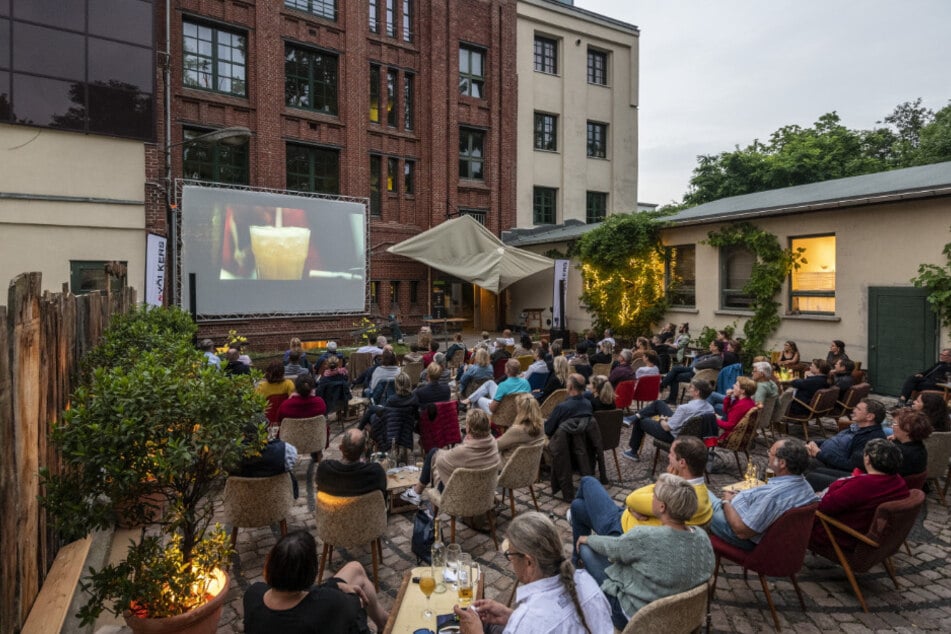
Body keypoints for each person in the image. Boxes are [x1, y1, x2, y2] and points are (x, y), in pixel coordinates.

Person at [576, 473, 715, 630]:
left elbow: (614, 548)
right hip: (682, 617)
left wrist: (587, 539)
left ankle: (584, 595)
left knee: (586, 549)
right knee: (578, 506)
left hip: (634, 618)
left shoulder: (646, 536)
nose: (651, 497)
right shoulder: (702, 537)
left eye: (654, 493)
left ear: (662, 507)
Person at [454, 512, 613, 634]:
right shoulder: (586, 581)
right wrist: (511, 615)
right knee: (490, 624)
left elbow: (538, 623)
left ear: (529, 562)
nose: (511, 561)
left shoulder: (527, 622)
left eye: (510, 555)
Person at [569, 436, 713, 562]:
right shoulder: (703, 494)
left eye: (671, 453)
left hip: (621, 532)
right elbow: (636, 503)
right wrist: (634, 507)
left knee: (588, 481)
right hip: (628, 520)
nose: (668, 456)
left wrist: (665, 480)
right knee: (577, 506)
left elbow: (632, 498)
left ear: (682, 463)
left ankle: (580, 555)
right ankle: (578, 560)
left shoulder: (676, 494)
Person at [243, 530, 388, 633]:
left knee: (355, 569)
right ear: (311, 570)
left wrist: (336, 585)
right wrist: (351, 598)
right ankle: (386, 625)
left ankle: (384, 622)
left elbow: (311, 596)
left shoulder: (253, 594)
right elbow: (355, 610)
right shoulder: (328, 605)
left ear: (271, 564)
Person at [708, 438, 818, 550]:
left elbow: (742, 531)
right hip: (761, 528)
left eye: (771, 453)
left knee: (701, 497)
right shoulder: (805, 486)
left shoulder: (773, 496)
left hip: (742, 535)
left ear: (782, 463)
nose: (768, 456)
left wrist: (726, 501)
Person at [810, 439, 909, 550]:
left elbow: (824, 507)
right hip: (874, 532)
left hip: (841, 536)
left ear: (867, 460)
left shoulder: (862, 485)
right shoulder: (898, 481)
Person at [400, 409, 500, 504]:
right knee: (444, 458)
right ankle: (416, 491)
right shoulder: (492, 442)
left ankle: (416, 491)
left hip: (462, 494)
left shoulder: (463, 451)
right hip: (484, 490)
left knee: (433, 453)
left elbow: (440, 462)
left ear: (469, 427)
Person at [804, 398, 887, 491]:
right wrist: (814, 443)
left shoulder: (870, 438)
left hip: (833, 465)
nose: (854, 410)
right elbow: (836, 440)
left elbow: (852, 466)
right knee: (793, 449)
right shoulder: (857, 427)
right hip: (821, 455)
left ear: (870, 416)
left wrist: (819, 454)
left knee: (797, 460)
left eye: (858, 409)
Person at [623, 378, 715, 461]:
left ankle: (633, 452)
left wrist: (661, 419)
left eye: (691, 387)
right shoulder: (710, 408)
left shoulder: (685, 408)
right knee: (658, 403)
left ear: (697, 392)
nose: (689, 389)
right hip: (692, 436)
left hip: (674, 437)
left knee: (641, 421)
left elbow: (667, 428)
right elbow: (689, 419)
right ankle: (633, 417)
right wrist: (671, 418)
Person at [315, 428, 387, 498]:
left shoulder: (324, 470)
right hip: (364, 509)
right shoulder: (376, 472)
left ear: (340, 448)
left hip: (334, 509)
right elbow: (383, 495)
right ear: (364, 450)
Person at [660, 339, 726, 404]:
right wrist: (703, 359)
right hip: (696, 371)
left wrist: (702, 360)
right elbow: (699, 359)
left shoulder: (716, 359)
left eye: (711, 345)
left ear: (716, 347)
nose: (709, 346)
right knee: (675, 369)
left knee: (675, 376)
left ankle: (666, 391)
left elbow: (697, 364)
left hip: (698, 375)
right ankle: (663, 387)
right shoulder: (712, 355)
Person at [462, 358, 531, 414]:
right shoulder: (526, 382)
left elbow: (492, 409)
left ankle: (474, 421)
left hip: (503, 413)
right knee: (490, 383)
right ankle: (469, 400)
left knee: (478, 399)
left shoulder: (503, 385)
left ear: (507, 370)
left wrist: (489, 403)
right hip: (519, 410)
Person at [497, 393, 546, 465]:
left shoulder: (517, 430)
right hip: (530, 465)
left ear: (521, 409)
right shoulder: (542, 424)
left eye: (516, 406)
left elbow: (496, 446)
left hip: (509, 466)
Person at [888, 408, 931, 476]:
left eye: (894, 423)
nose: (891, 426)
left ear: (907, 428)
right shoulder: (919, 445)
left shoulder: (898, 453)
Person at [717, 376, 758, 441]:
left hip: (729, 436)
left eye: (736, 385)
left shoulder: (741, 405)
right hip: (733, 429)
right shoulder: (746, 401)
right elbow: (726, 411)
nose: (733, 386)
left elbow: (730, 425)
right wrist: (728, 397)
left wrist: (715, 420)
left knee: (706, 417)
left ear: (742, 391)